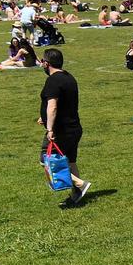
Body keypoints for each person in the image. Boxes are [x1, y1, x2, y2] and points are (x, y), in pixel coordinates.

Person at [37, 48, 91, 205]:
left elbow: (52, 106)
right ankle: (77, 195)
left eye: (42, 62)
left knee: (45, 159)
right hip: (74, 127)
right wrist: (45, 117)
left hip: (61, 130)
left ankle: (81, 184)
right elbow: (64, 103)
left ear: (46, 63)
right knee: (71, 161)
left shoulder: (53, 80)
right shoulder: (69, 77)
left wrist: (50, 128)